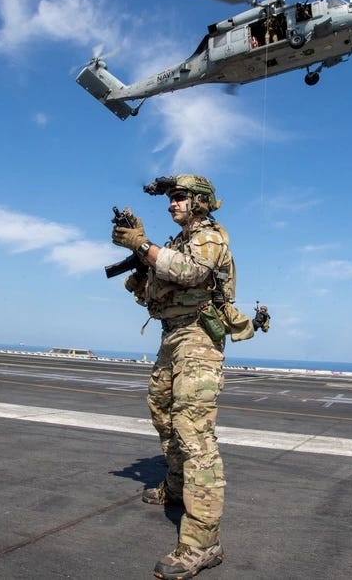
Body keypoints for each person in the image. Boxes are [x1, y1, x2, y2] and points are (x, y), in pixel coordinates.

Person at [112, 174, 251, 579]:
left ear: (200, 202)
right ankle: (176, 485)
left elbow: (191, 274)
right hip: (171, 336)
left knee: (193, 431)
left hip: (198, 337)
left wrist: (143, 245)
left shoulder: (209, 236)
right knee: (161, 411)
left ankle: (203, 543)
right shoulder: (173, 244)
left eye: (179, 199)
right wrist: (142, 267)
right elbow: (146, 295)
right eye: (170, 199)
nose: (171, 205)